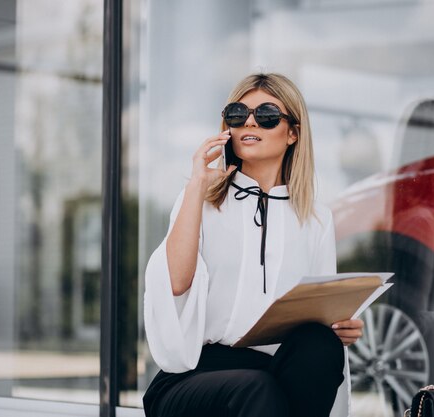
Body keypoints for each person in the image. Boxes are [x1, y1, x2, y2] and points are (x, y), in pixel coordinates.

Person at [142, 73, 364, 417]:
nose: (250, 122)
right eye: (237, 114)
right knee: (257, 390)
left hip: (274, 373)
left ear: (293, 132)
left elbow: (321, 309)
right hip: (195, 377)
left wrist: (341, 327)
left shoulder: (316, 217)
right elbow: (175, 282)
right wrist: (197, 184)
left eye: (266, 116)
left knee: (321, 346)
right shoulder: (199, 200)